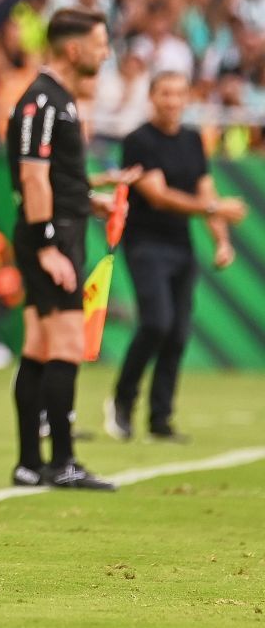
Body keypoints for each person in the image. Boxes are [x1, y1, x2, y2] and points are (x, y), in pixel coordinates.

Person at [6, 8, 136, 491]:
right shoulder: (43, 101)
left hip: (58, 227)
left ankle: (28, 462)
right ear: (74, 48)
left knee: (39, 347)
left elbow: (55, 178)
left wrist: (88, 201)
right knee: (63, 345)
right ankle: (62, 461)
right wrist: (46, 246)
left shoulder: (59, 101)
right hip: (50, 237)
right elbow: (33, 177)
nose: (106, 53)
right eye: (101, 44)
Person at [105, 72, 247, 442]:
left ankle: (160, 420)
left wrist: (222, 241)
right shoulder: (139, 140)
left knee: (178, 334)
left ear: (188, 99)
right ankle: (121, 401)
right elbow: (159, 195)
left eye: (179, 94)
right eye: (165, 93)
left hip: (180, 245)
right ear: (152, 97)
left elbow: (205, 188)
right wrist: (215, 207)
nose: (172, 101)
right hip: (145, 243)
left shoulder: (192, 139)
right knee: (156, 322)